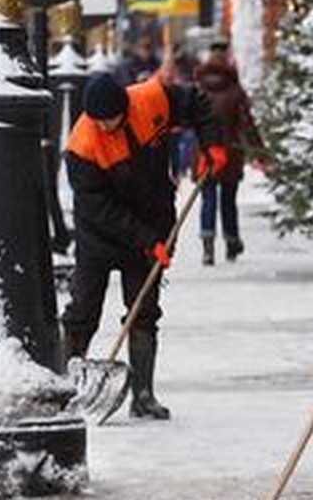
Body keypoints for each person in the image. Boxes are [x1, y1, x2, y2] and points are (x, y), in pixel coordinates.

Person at [61, 71, 226, 420]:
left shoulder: (152, 99)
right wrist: (147, 240)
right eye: (98, 120)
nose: (105, 126)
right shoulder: (81, 145)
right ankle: (63, 388)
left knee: (144, 311)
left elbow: (198, 104)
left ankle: (144, 394)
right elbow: (100, 209)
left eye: (111, 119)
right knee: (82, 312)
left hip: (153, 225)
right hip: (99, 236)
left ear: (125, 106)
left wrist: (211, 143)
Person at [193, 38, 264, 265]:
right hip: (230, 152)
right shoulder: (235, 91)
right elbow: (246, 124)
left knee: (208, 198)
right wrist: (259, 151)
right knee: (228, 200)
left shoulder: (198, 88)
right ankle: (232, 242)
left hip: (204, 152)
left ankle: (207, 247)